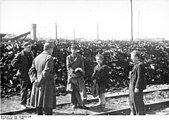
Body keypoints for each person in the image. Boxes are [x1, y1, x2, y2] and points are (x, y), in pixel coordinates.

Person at [29, 42, 56, 115]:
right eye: (52, 49)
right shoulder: (49, 57)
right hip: (46, 83)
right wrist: (39, 81)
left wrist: (35, 80)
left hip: (37, 84)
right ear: (50, 49)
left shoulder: (36, 58)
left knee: (38, 106)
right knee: (47, 105)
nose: (52, 51)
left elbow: (31, 71)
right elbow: (46, 71)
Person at [11, 41, 33, 109]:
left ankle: (30, 103)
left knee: (32, 89)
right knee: (24, 89)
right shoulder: (20, 54)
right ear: (24, 47)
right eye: (28, 47)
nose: (30, 49)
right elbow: (13, 63)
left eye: (30, 47)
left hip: (30, 74)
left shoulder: (30, 54)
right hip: (23, 74)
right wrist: (22, 67)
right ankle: (23, 104)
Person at [66, 44, 87, 109]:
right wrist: (72, 72)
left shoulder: (80, 57)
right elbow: (68, 66)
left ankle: (81, 103)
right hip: (72, 76)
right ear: (71, 50)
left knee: (80, 90)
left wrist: (79, 70)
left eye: (75, 49)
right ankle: (74, 104)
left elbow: (82, 66)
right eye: (72, 49)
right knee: (72, 90)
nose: (74, 51)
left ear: (77, 50)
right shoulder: (68, 57)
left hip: (79, 75)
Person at [129, 50, 146, 115]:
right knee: (132, 101)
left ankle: (140, 115)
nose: (131, 58)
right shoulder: (135, 65)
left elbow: (140, 77)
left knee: (137, 102)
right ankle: (134, 113)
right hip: (132, 86)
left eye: (132, 57)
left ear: (137, 57)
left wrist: (137, 87)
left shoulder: (140, 65)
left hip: (136, 87)